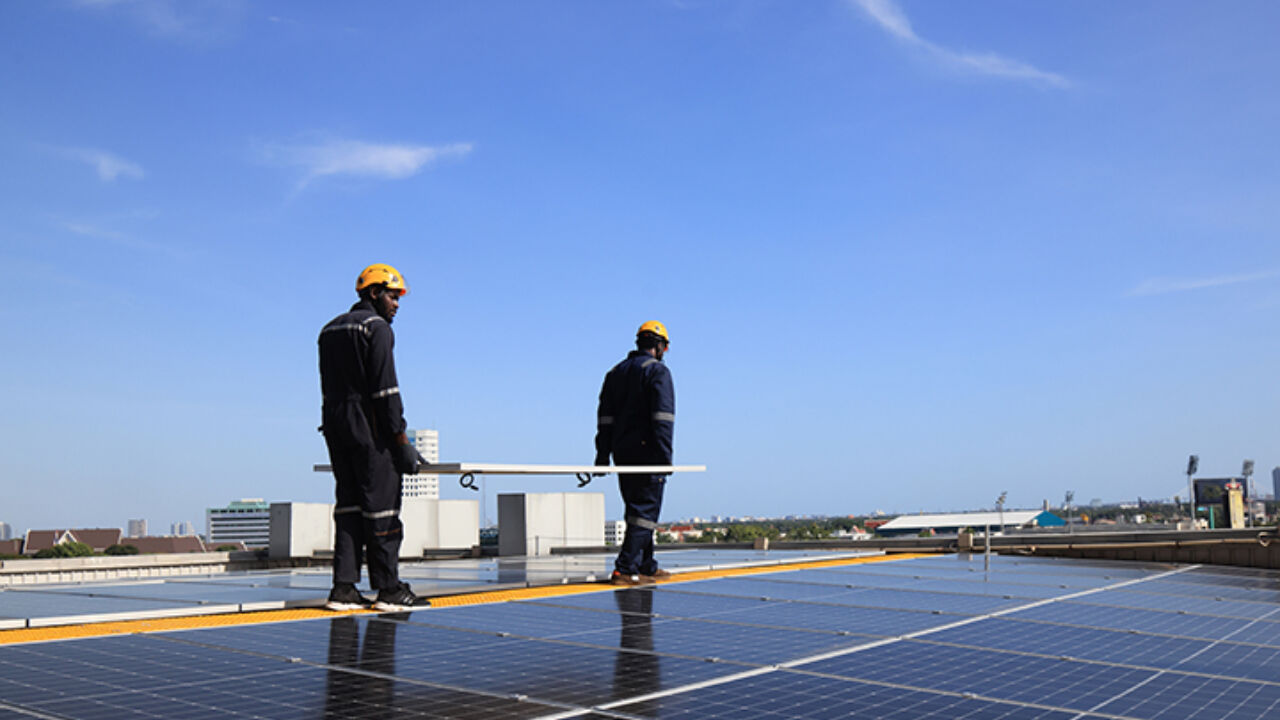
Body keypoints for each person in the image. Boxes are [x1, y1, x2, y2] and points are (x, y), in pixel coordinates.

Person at [318, 263, 429, 611]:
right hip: (371, 429)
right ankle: (389, 589)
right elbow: (386, 391)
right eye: (393, 296)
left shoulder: (328, 330)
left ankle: (344, 588)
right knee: (382, 510)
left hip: (336, 426)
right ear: (373, 293)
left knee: (349, 508)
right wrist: (402, 441)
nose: (397, 304)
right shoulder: (377, 329)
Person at [594, 321, 676, 586]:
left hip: (622, 454)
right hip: (648, 454)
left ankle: (645, 565)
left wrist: (602, 455)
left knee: (635, 511)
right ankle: (624, 568)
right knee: (646, 512)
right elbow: (663, 419)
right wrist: (664, 458)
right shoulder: (657, 372)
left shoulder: (615, 373)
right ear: (661, 346)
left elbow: (604, 419)